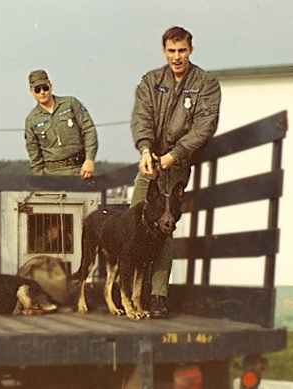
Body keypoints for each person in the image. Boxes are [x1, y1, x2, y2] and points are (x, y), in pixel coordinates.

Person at [130, 26, 221, 318]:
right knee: (136, 222)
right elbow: (141, 117)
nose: (177, 57)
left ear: (190, 50)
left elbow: (203, 127)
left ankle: (157, 296)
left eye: (182, 50)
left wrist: (175, 155)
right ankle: (133, 293)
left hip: (177, 165)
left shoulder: (206, 83)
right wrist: (145, 149)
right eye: (171, 51)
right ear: (164, 51)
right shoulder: (150, 80)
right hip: (149, 163)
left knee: (164, 226)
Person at [25, 69, 98, 178]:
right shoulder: (31, 120)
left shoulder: (70, 104)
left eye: (45, 87)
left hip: (80, 171)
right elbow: (34, 155)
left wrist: (89, 160)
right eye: (37, 89)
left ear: (50, 85)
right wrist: (40, 179)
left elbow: (89, 130)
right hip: (52, 176)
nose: (42, 92)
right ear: (31, 91)